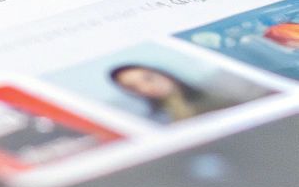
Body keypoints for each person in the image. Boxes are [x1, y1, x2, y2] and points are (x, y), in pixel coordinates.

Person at [107, 63, 262, 124]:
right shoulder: (156, 121)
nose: (146, 88)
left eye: (148, 78)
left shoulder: (218, 92)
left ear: (163, 73)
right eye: (134, 87)